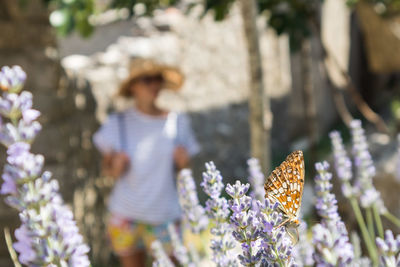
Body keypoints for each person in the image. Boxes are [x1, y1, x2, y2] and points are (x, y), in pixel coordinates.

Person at [93, 58, 200, 267]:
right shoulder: (118, 123)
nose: (154, 85)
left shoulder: (177, 121)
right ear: (133, 86)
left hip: (165, 215)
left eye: (157, 79)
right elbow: (106, 171)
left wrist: (184, 162)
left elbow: (186, 170)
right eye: (147, 80)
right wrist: (115, 167)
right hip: (125, 215)